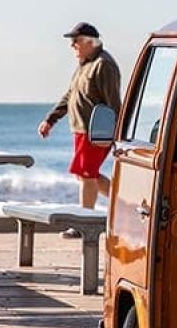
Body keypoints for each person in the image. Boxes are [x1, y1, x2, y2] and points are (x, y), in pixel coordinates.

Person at [38, 22, 122, 238]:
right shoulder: (85, 65)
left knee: (86, 175)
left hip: (96, 131)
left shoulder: (104, 65)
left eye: (75, 41)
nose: (72, 46)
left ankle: (84, 225)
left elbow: (114, 102)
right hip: (81, 130)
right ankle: (124, 207)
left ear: (89, 42)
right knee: (85, 175)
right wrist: (51, 120)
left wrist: (116, 135)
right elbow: (70, 95)